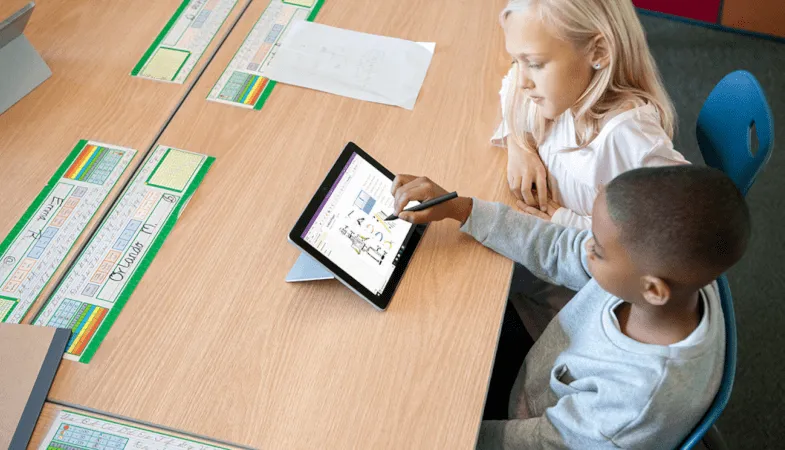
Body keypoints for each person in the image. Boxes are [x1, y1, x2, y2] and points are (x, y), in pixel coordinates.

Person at [390, 166, 750, 449]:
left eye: (599, 249)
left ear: (653, 290)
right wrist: (463, 209)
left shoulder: (632, 406)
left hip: (525, 424)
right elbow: (563, 246)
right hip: (546, 368)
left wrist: (443, 438)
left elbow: (539, 443)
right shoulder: (678, 279)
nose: (587, 247)